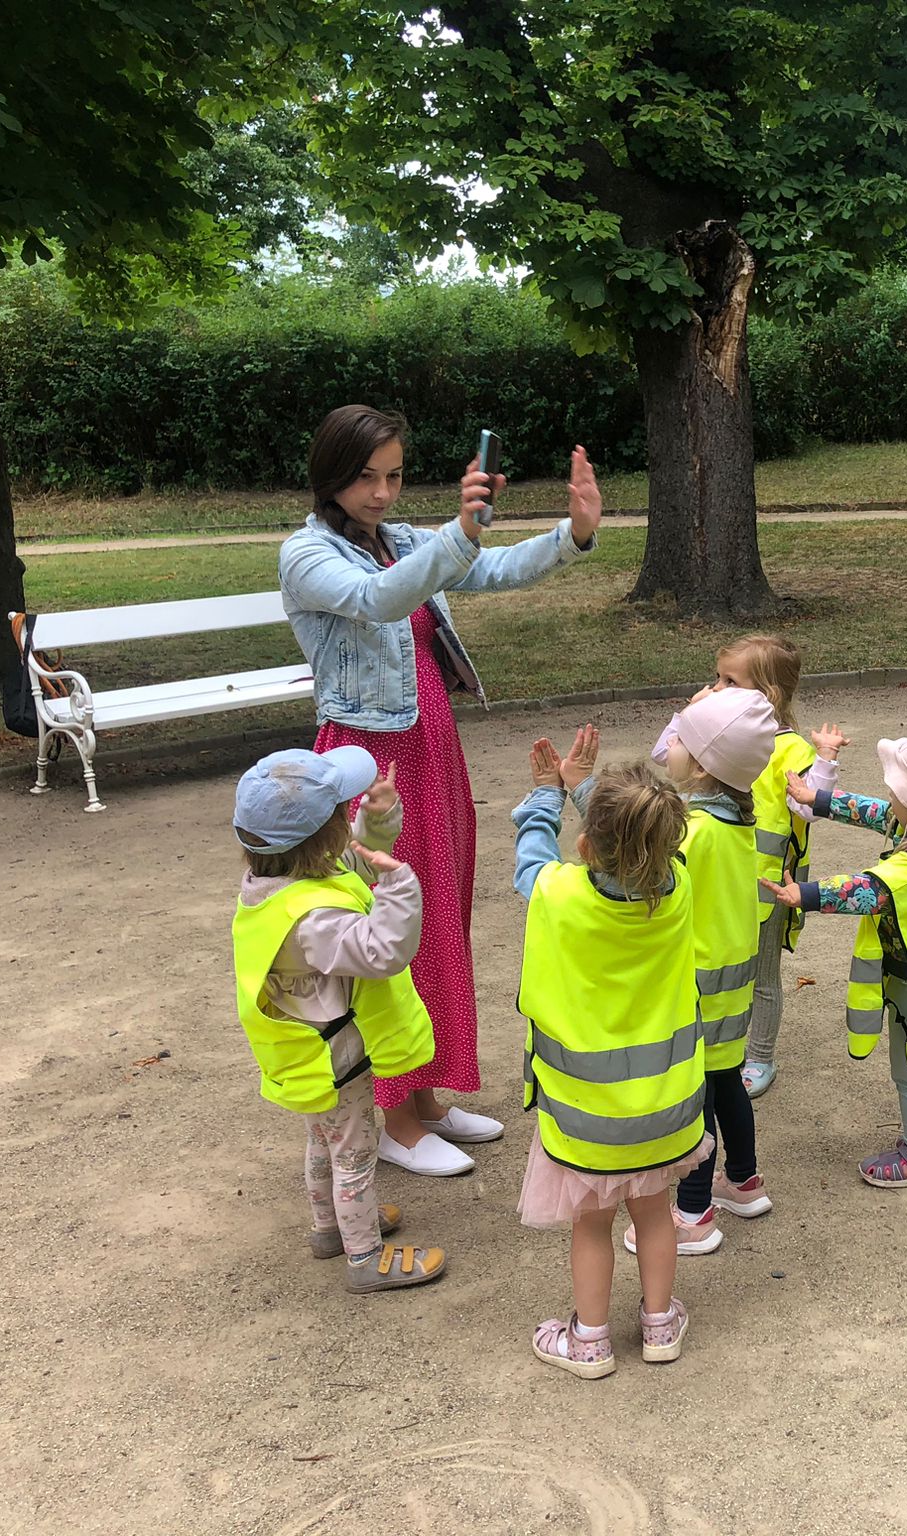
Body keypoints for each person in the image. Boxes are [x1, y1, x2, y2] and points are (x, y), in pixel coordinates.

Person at [279, 404, 602, 1177]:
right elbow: (377, 599)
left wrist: (574, 533)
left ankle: (424, 1097)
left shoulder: (400, 539)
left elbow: (490, 568)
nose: (382, 493)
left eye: (394, 476)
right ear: (330, 475)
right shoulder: (305, 554)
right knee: (384, 929)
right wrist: (458, 533)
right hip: (369, 762)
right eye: (366, 477)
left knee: (433, 919)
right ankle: (393, 1115)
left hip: (430, 747)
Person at [513, 742, 708, 1378]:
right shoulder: (677, 891)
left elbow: (531, 861)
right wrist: (585, 790)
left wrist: (550, 793)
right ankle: (660, 1326)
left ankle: (590, 1341)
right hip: (663, 1107)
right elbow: (637, 845)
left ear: (585, 847)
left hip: (585, 1114)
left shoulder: (558, 895)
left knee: (592, 1225)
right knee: (654, 1215)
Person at [230, 745, 446, 1293]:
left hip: (305, 1054)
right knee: (354, 1154)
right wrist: (399, 887)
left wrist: (377, 822)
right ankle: (364, 1256)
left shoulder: (276, 888)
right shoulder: (315, 920)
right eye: (341, 815)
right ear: (325, 839)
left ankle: (330, 1228)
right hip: (336, 1057)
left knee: (323, 1143)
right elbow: (381, 951)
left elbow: (351, 865)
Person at [761, 732, 907, 1189]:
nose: (889, 797)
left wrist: (803, 894)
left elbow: (863, 890)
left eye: (896, 790)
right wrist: (818, 799)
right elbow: (876, 812)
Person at [626, 687, 780, 1257]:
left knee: (698, 1100)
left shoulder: (693, 831)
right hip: (731, 984)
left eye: (680, 739)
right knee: (727, 1083)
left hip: (696, 986)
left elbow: (650, 885)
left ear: (702, 765)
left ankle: (693, 1213)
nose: (669, 743)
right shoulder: (737, 819)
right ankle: (743, 1181)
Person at [719, 636, 839, 1100]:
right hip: (722, 878)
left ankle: (760, 1056)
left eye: (730, 681)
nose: (717, 688)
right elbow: (665, 756)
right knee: (722, 967)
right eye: (717, 678)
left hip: (768, 886)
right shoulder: (723, 736)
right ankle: (723, 1048)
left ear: (765, 694)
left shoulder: (787, 747)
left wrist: (824, 762)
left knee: (761, 977)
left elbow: (809, 807)